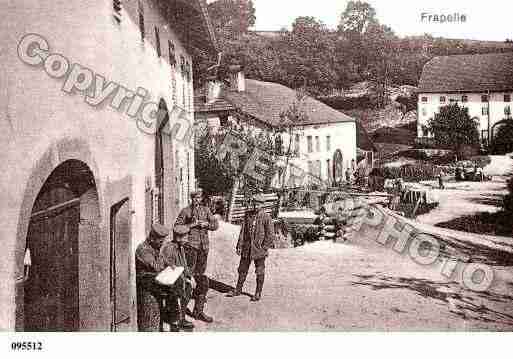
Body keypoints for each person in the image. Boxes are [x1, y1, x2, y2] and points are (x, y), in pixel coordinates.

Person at [174, 189, 219, 323]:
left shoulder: (206, 210)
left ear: (201, 198)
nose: (196, 200)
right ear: (191, 199)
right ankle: (181, 312)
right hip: (191, 247)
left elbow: (215, 225)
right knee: (188, 276)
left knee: (201, 276)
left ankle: (198, 310)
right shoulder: (185, 211)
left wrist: (207, 225)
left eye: (198, 198)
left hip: (203, 247)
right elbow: (177, 227)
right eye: (194, 198)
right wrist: (192, 224)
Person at [227, 193, 275, 301]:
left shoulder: (266, 217)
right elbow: (243, 231)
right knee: (242, 269)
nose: (256, 206)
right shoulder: (248, 215)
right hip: (247, 248)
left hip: (259, 249)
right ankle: (238, 289)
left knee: (259, 270)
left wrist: (264, 247)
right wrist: (239, 245)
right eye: (254, 204)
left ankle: (258, 293)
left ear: (262, 205)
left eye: (258, 204)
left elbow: (270, 234)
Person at [136, 223, 179, 331]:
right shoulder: (143, 250)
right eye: (160, 241)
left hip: (154, 280)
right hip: (145, 282)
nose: (162, 244)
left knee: (175, 286)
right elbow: (156, 267)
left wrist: (170, 265)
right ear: (152, 238)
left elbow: (163, 259)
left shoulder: (154, 247)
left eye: (163, 241)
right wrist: (166, 268)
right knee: (171, 288)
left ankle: (173, 319)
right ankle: (172, 320)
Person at [159, 224, 196, 331]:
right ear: (178, 237)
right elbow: (170, 269)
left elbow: (184, 266)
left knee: (200, 282)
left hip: (179, 278)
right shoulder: (169, 248)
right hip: (170, 280)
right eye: (185, 237)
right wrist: (186, 280)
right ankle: (176, 320)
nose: (187, 239)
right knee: (185, 287)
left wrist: (190, 276)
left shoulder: (181, 247)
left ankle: (181, 317)